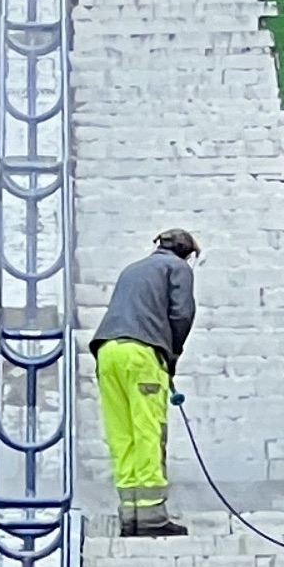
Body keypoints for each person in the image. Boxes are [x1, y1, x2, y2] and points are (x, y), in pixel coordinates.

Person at [90, 229, 200, 537]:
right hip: (141, 355)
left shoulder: (132, 269)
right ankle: (152, 517)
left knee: (121, 434)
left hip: (107, 352)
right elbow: (181, 314)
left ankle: (130, 516)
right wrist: (173, 355)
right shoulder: (178, 268)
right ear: (188, 253)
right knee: (148, 430)